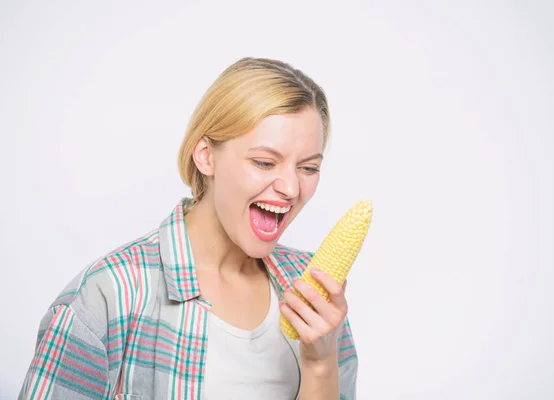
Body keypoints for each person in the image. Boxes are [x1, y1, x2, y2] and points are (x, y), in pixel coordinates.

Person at [18, 57, 358, 399]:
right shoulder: (109, 296)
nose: (291, 188)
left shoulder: (312, 292)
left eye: (309, 168)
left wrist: (320, 362)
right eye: (264, 162)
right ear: (206, 156)